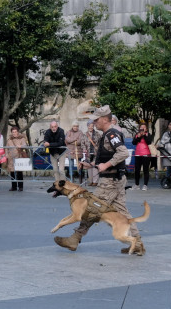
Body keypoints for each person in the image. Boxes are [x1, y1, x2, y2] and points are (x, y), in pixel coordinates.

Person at [54, 105, 145, 255]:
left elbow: (122, 153)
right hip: (114, 179)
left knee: (91, 209)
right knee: (123, 214)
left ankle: (74, 239)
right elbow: (107, 157)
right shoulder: (108, 134)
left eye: (96, 120)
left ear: (104, 119)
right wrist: (91, 164)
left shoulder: (111, 134)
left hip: (110, 182)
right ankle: (138, 244)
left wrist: (107, 165)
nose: (94, 123)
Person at [6, 126, 28, 191]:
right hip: (11, 158)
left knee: (19, 172)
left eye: (15, 132)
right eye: (13, 132)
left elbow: (25, 145)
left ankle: (20, 186)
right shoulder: (9, 140)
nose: (14, 133)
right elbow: (6, 148)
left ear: (18, 132)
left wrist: (21, 146)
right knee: (12, 173)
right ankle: (14, 186)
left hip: (19, 157)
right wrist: (6, 155)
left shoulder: (22, 139)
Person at [132, 123, 153, 190]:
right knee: (137, 170)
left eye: (144, 127)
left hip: (146, 154)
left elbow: (149, 142)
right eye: (141, 127)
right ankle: (137, 184)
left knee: (145, 170)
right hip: (138, 154)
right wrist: (138, 137)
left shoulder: (148, 134)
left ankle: (145, 185)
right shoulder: (137, 134)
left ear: (146, 129)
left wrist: (144, 136)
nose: (143, 129)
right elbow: (134, 142)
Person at [84, 120, 101, 186]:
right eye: (89, 126)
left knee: (95, 167)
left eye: (92, 126)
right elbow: (83, 143)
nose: (90, 127)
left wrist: (98, 150)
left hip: (95, 152)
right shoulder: (85, 134)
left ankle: (95, 181)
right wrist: (84, 149)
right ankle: (90, 181)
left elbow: (100, 143)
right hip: (88, 153)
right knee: (89, 167)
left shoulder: (97, 134)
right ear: (87, 126)